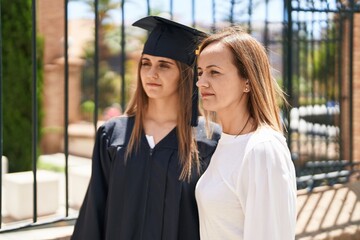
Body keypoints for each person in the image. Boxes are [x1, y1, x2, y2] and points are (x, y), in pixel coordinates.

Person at [71, 16, 220, 240]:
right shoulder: (113, 134)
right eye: (146, 63)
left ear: (184, 73)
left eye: (164, 65)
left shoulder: (209, 140)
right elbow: (95, 210)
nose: (151, 74)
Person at [195, 26, 297, 240]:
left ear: (247, 82)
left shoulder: (262, 149)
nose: (201, 82)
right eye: (201, 72)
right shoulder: (227, 141)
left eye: (214, 72)